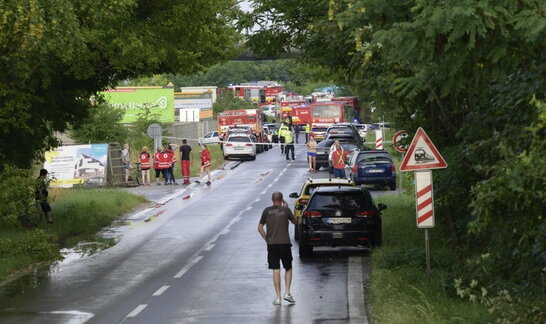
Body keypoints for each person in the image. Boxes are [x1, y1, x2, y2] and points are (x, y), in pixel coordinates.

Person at [258, 192, 297, 305]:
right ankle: (287, 293)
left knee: (276, 269)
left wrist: (267, 239)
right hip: (284, 243)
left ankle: (278, 297)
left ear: (272, 200)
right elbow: (296, 222)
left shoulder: (266, 211)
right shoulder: (286, 210)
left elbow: (259, 228)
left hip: (272, 245)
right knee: (288, 268)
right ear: (282, 200)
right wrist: (288, 209)